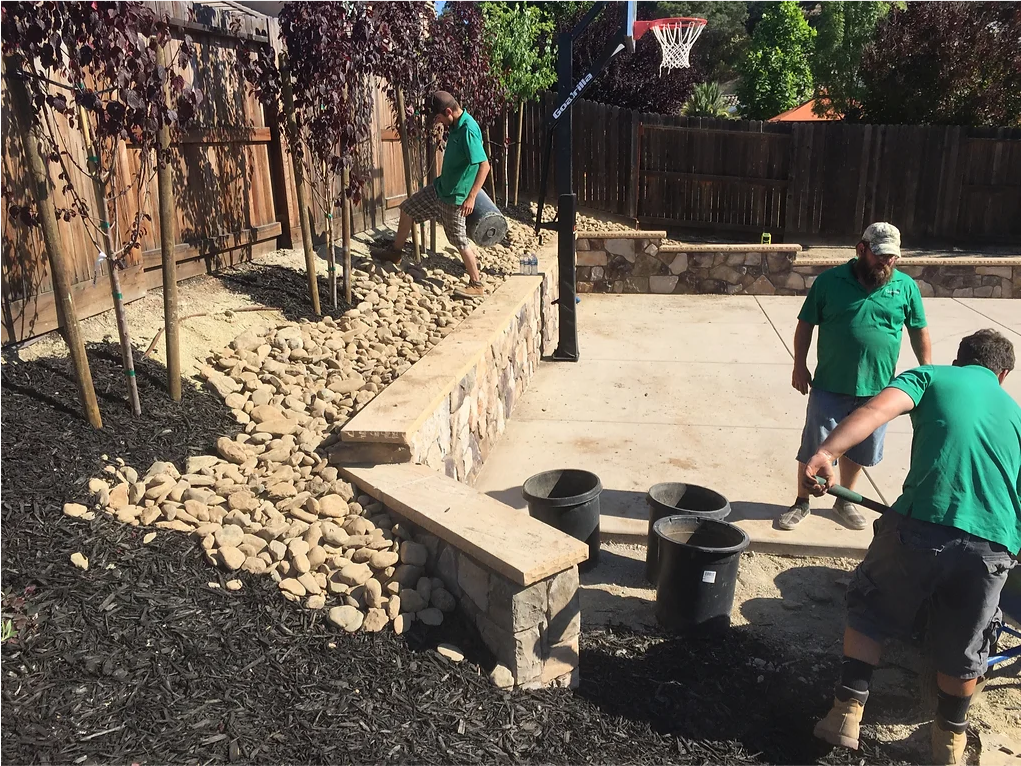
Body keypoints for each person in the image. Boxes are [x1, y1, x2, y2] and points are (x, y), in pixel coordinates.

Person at [803, 329, 1020, 766]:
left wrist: (827, 451)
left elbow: (878, 409)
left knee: (872, 608)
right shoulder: (1015, 414)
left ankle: (845, 716)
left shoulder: (933, 376)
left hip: (923, 523)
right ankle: (948, 746)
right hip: (994, 544)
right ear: (1003, 375)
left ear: (961, 361)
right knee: (967, 646)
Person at [779, 222, 931, 532]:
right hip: (830, 384)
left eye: (892, 257)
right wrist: (799, 365)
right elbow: (805, 325)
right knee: (815, 446)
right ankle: (802, 501)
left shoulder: (905, 287)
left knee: (859, 450)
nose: (886, 262)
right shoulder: (829, 282)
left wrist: (927, 372)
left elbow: (919, 331)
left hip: (878, 391)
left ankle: (844, 500)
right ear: (861, 249)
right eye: (880, 256)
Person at [375, 91, 491, 298]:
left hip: (456, 197)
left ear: (448, 111)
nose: (438, 122)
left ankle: (476, 283)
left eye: (438, 118)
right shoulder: (455, 125)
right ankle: (395, 252)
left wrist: (471, 197)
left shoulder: (468, 130)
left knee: (459, 240)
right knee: (408, 209)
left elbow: (484, 166)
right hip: (440, 189)